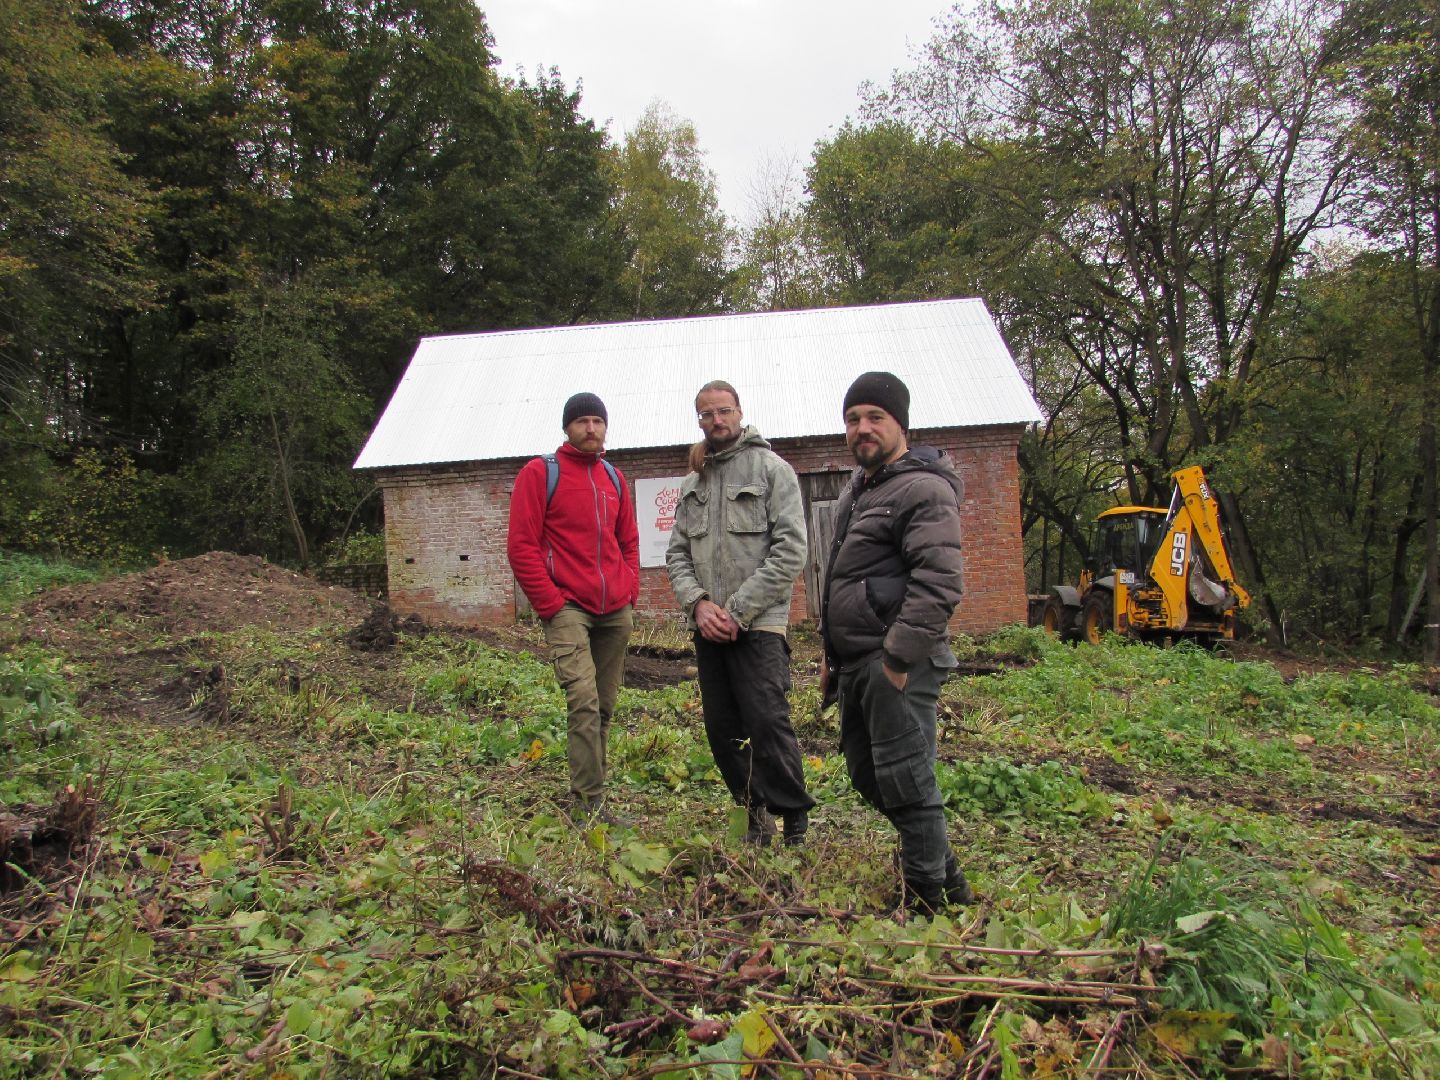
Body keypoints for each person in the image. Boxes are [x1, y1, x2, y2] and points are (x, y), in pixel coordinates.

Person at [819, 371, 973, 914]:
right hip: (858, 660)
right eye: (853, 418)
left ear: (900, 424)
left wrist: (899, 656)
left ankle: (927, 902)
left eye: (874, 418)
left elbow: (940, 581)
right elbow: (843, 578)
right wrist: (831, 655)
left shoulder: (922, 489)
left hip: (896, 661)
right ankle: (950, 880)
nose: (862, 428)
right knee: (867, 774)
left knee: (907, 782)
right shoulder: (860, 490)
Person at [666, 380, 816, 846]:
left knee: (767, 720)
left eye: (723, 411)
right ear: (699, 420)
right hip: (708, 626)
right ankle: (754, 811)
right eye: (706, 414)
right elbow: (677, 555)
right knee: (722, 728)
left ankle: (793, 815)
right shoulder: (694, 484)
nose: (716, 421)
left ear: (739, 412)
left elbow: (791, 552)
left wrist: (737, 611)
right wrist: (698, 604)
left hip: (761, 624)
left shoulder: (773, 471)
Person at [507, 392, 640, 824]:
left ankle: (593, 798)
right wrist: (550, 603)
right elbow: (522, 547)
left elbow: (629, 542)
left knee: (603, 705)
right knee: (582, 700)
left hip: (614, 608)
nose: (591, 429)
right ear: (567, 428)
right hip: (567, 606)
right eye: (582, 421)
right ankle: (588, 805)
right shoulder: (540, 473)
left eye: (597, 421)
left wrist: (630, 591)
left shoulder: (614, 478)